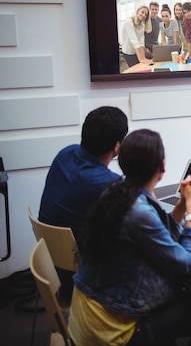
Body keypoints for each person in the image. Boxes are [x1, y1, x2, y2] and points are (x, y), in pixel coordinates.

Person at [69, 129, 191, 346]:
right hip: (110, 333)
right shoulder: (138, 211)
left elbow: (162, 236)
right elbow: (187, 264)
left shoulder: (117, 191)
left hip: (88, 315)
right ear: (162, 166)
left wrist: (181, 204)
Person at [39, 106, 128, 301]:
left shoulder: (65, 154)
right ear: (117, 146)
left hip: (52, 269)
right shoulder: (108, 184)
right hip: (84, 281)